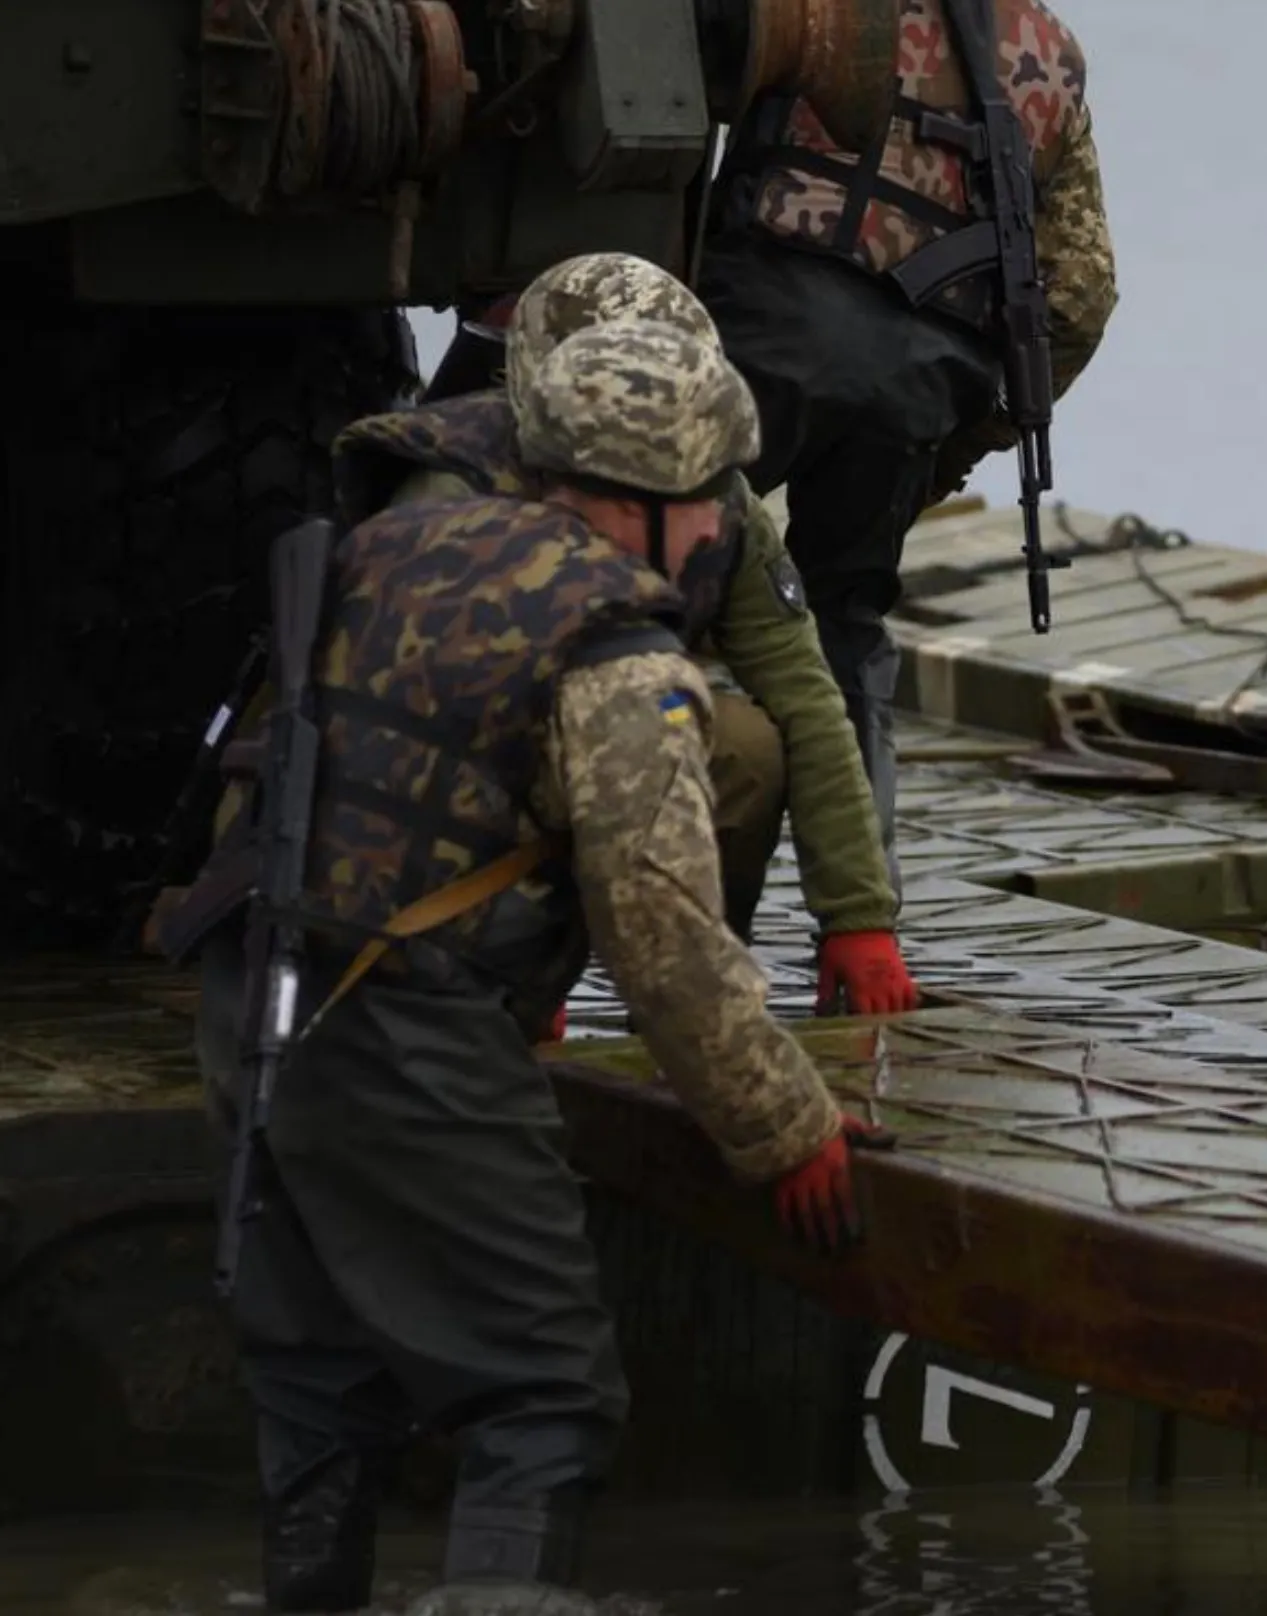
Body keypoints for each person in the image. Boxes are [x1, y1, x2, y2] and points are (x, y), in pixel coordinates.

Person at [155, 316, 891, 1614]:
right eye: (709, 500)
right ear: (645, 500)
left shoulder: (389, 543)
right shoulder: (613, 651)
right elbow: (659, 934)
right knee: (543, 1394)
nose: (721, 532)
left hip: (252, 992)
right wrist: (789, 1124)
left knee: (320, 1385)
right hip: (404, 1030)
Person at [348, 251, 916, 1020]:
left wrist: (858, 917)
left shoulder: (717, 508)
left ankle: (691, 980)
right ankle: (501, 976)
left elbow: (807, 699)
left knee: (747, 744)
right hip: (471, 784)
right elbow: (394, 749)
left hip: (610, 731)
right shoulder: (456, 500)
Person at [692, 0, 1120, 866]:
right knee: (846, 620)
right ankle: (862, 920)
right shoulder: (1053, 55)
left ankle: (638, 890)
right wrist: (956, 446)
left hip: (765, 333)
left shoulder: (812, 9)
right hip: (927, 381)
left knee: (649, 587)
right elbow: (1080, 297)